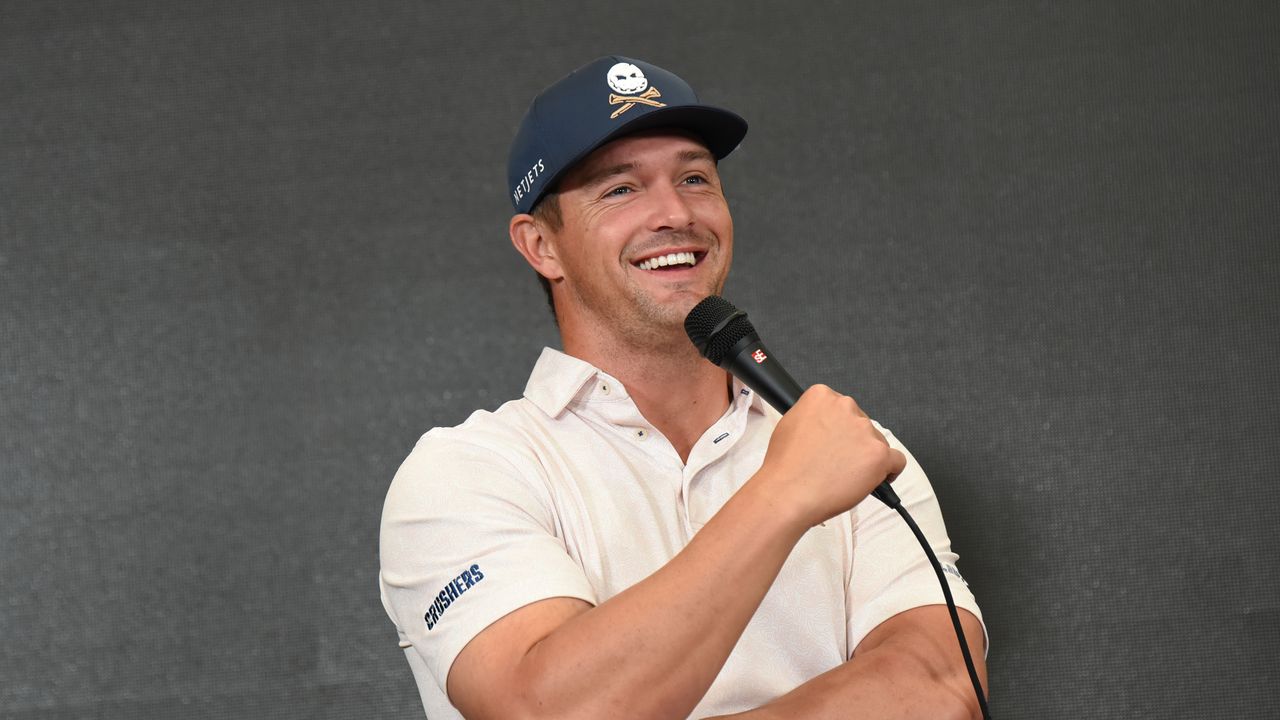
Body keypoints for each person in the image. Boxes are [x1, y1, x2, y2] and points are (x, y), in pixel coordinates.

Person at [379, 55, 987, 720]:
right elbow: (548, 710)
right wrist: (784, 493)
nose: (674, 212)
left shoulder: (852, 449)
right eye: (620, 190)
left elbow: (937, 688)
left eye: (695, 178)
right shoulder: (467, 472)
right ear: (540, 246)